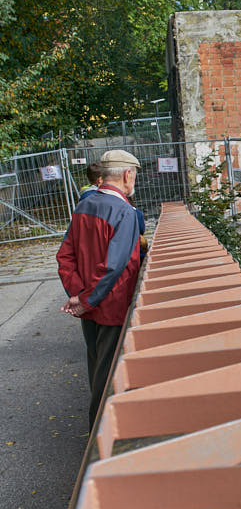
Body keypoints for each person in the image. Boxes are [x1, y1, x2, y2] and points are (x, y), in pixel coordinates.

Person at [56, 150, 142, 426]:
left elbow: (64, 255)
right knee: (108, 375)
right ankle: (99, 438)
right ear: (128, 175)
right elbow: (114, 266)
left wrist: (76, 293)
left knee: (96, 367)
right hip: (110, 305)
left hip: (89, 304)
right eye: (135, 175)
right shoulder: (124, 211)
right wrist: (86, 299)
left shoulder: (85, 205)